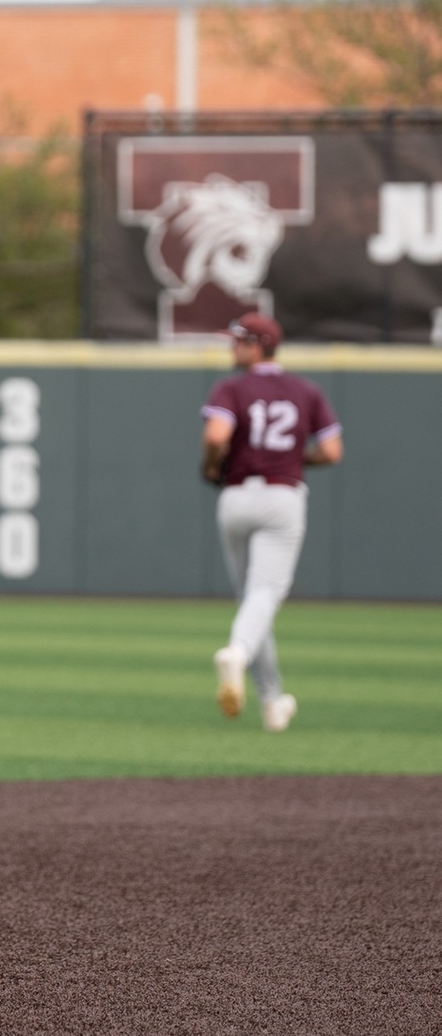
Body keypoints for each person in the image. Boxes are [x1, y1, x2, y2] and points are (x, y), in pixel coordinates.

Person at [200, 313, 344, 734]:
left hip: (236, 494)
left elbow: (215, 437)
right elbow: (332, 451)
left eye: (239, 341)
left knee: (251, 599)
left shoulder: (232, 388)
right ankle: (237, 654)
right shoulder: (305, 390)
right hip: (283, 496)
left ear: (259, 344)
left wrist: (213, 467)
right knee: (263, 596)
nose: (233, 348)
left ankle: (272, 701)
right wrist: (298, 458)